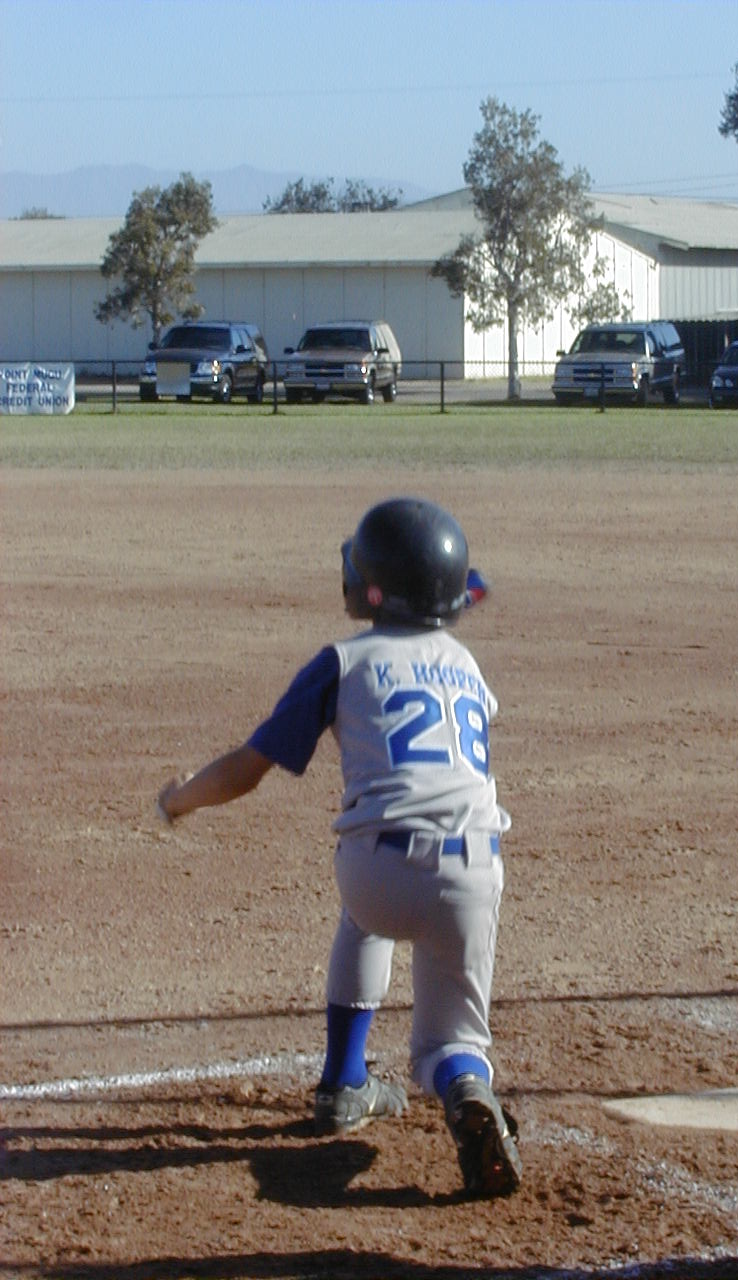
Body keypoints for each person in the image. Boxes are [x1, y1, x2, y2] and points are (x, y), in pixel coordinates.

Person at [157, 496, 521, 1198]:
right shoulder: (467, 665)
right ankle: (466, 1087)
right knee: (453, 1039)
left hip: (379, 868)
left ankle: (344, 1083)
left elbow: (247, 769)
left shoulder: (343, 661)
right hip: (475, 868)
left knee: (365, 914)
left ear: (370, 586)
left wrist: (178, 800)